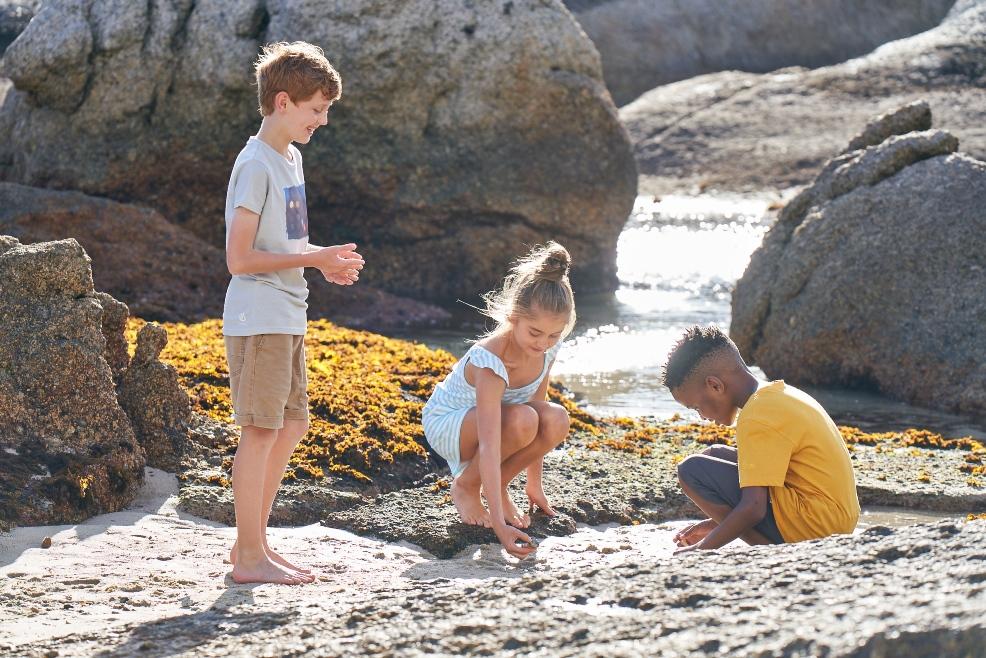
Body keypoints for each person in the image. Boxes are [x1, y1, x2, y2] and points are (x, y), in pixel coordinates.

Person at [223, 41, 364, 584]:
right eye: (316, 110)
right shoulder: (254, 164)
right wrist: (313, 259)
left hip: (286, 314)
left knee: (293, 424)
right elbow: (239, 259)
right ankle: (249, 558)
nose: (322, 121)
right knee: (261, 431)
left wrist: (322, 262)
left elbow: (287, 243)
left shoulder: (290, 159)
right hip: (259, 316)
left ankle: (251, 545)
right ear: (283, 102)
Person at [423, 242, 576, 558]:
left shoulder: (547, 350)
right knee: (523, 419)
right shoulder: (491, 360)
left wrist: (534, 485)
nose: (543, 343)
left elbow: (539, 408)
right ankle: (466, 487)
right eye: (534, 332)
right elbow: (491, 443)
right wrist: (498, 524)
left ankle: (501, 484)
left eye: (553, 335)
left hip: (502, 423)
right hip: (450, 422)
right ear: (513, 318)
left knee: (556, 418)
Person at [662, 325, 860, 555]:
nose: (702, 417)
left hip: (816, 528)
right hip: (833, 520)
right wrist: (713, 526)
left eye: (697, 407)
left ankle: (770, 549)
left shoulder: (756, 416)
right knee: (714, 454)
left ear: (715, 385)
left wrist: (701, 548)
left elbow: (754, 507)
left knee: (692, 470)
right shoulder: (778, 395)